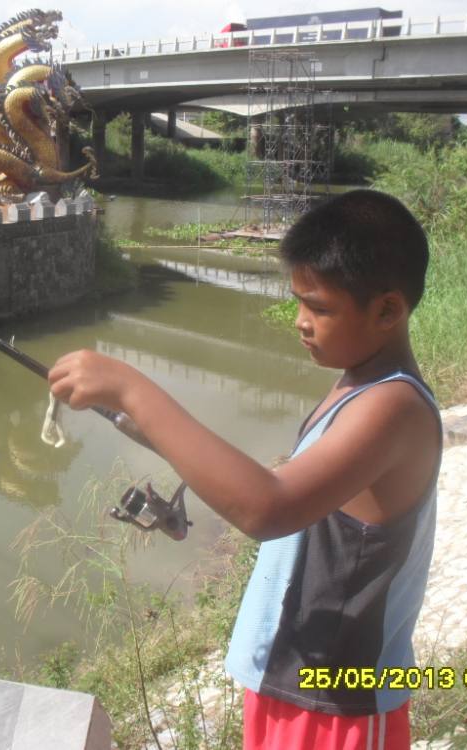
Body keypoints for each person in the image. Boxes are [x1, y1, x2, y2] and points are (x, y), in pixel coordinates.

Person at [48, 189, 442, 749]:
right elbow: (286, 485)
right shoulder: (358, 380)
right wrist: (160, 436)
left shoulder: (393, 406)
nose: (301, 323)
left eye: (320, 308)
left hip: (338, 704)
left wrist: (133, 389)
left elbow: (269, 507)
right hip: (293, 682)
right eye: (299, 302)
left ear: (387, 310)